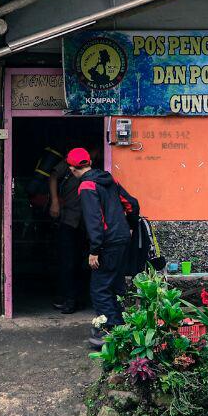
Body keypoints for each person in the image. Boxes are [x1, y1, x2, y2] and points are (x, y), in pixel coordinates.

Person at [70, 147, 139, 348]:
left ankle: (110, 332)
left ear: (72, 169)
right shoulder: (109, 179)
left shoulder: (87, 186)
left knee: (99, 288)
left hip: (107, 243)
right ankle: (121, 328)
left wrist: (94, 250)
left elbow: (94, 222)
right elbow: (132, 204)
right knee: (115, 284)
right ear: (89, 162)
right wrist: (130, 227)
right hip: (122, 239)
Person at [48, 149, 87, 314]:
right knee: (68, 262)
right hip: (69, 219)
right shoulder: (70, 162)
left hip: (85, 222)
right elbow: (53, 176)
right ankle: (68, 299)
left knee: (80, 262)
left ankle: (76, 299)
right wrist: (55, 201)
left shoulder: (91, 170)